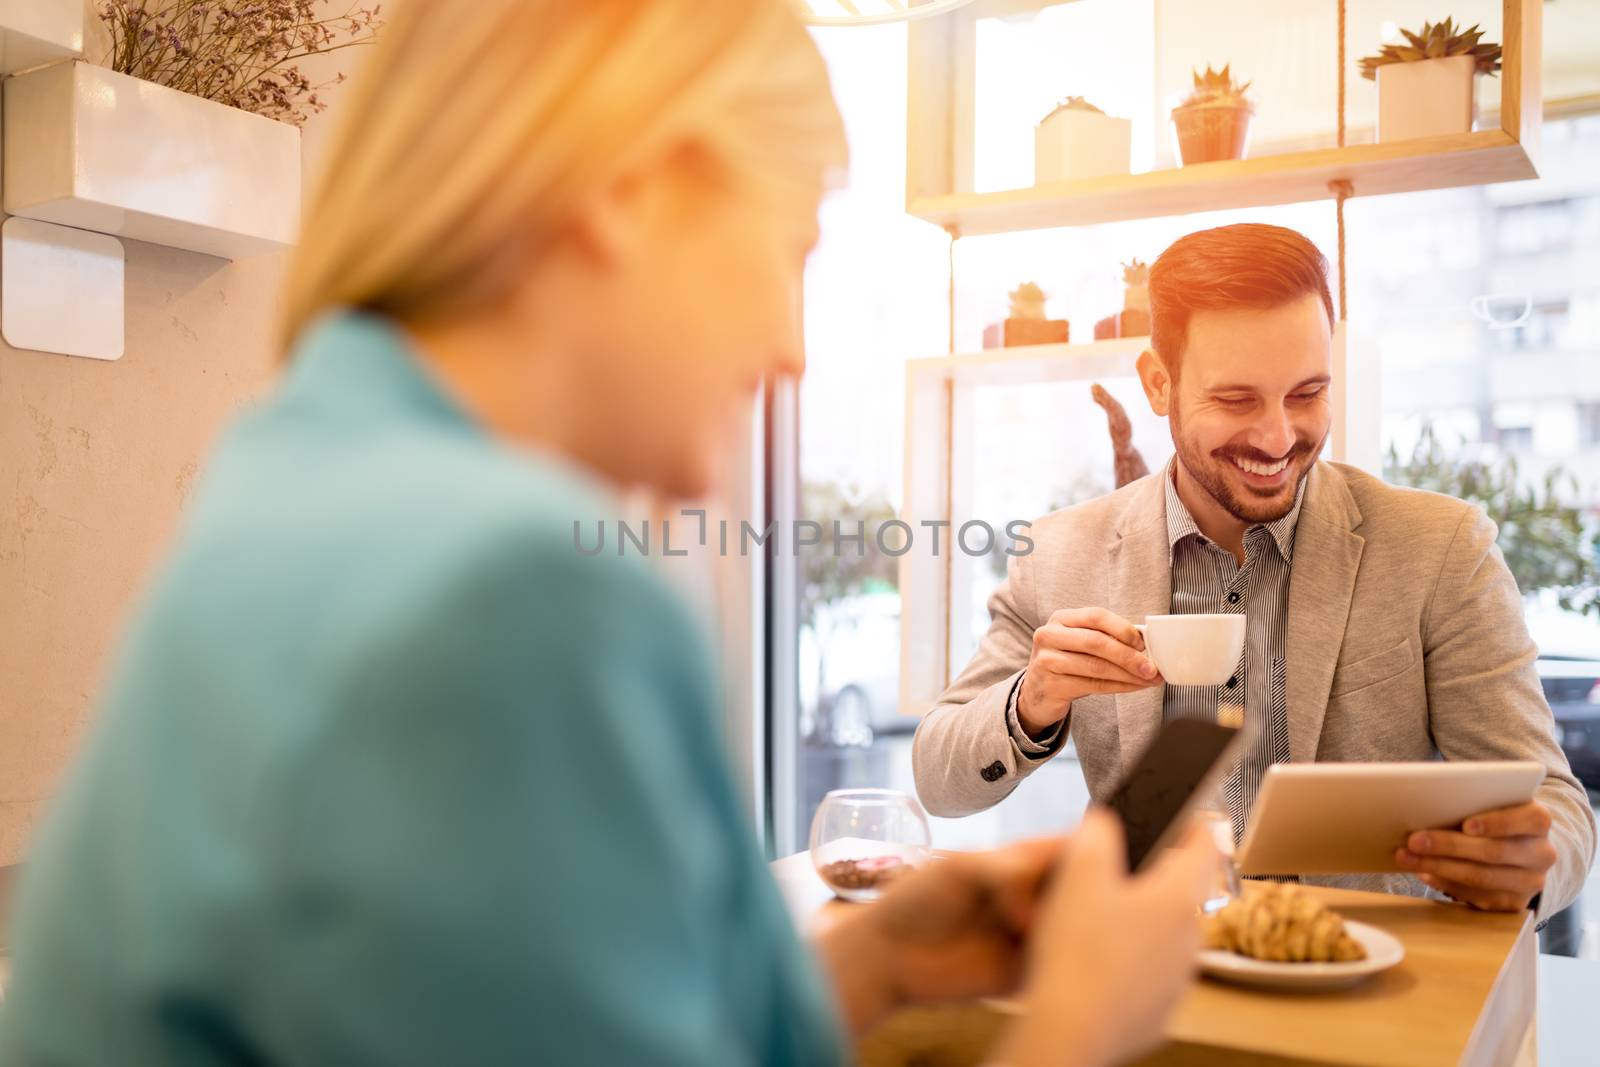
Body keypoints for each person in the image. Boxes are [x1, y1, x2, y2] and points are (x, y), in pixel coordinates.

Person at [0, 3, 1218, 1065]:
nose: (792, 350)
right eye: (788, 249)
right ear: (631, 194)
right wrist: (1080, 1022)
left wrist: (884, 959)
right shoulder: (505, 588)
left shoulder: (302, 477)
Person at [913, 223, 1596, 922]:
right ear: (1158, 383)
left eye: (1306, 394)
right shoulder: (1062, 553)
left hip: (1360, 985)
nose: (1277, 438)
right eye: (1237, 400)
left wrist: (1528, 867)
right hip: (1137, 977)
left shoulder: (1441, 548)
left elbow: (1557, 804)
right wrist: (1033, 699)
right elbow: (938, 776)